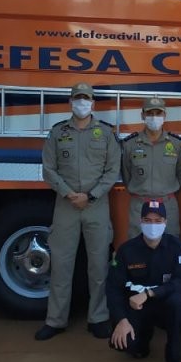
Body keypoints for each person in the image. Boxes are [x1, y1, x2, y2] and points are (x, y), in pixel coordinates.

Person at [36, 82, 122, 341]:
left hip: (96, 206)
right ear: (71, 102)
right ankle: (55, 320)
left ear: (93, 103)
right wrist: (68, 193)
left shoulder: (106, 134)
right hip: (66, 206)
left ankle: (98, 318)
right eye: (78, 98)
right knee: (61, 265)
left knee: (98, 266)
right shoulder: (58, 132)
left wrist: (91, 195)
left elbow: (112, 170)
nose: (82, 103)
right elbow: (48, 169)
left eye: (86, 99)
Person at [105, 200, 181, 362]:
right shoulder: (126, 250)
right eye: (148, 220)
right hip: (136, 307)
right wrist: (121, 320)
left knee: (178, 302)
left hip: (163, 304)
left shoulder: (177, 247)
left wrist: (149, 293)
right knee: (124, 344)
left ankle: (173, 353)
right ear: (141, 222)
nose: (153, 225)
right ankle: (142, 339)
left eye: (158, 221)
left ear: (165, 222)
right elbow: (113, 288)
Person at [121, 96, 181, 241]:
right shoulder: (130, 144)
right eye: (150, 113)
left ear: (164, 116)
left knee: (170, 248)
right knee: (137, 248)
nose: (154, 117)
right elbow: (127, 175)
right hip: (139, 205)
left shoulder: (176, 144)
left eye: (158, 113)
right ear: (142, 115)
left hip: (167, 204)